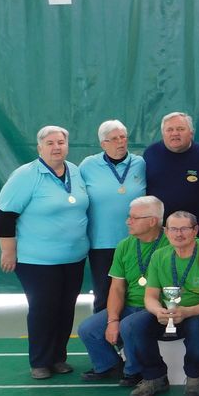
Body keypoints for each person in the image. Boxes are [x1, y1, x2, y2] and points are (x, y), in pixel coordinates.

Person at [0, 125, 90, 379]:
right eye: (50, 143)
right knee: (43, 309)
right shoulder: (26, 175)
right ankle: (40, 361)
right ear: (39, 148)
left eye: (61, 142)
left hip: (74, 258)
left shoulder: (75, 171)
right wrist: (8, 251)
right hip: (37, 261)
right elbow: (4, 214)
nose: (56, 147)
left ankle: (58, 358)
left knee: (66, 308)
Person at [120, 210, 199, 396]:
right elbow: (150, 296)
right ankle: (155, 377)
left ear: (195, 230)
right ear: (166, 231)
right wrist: (158, 310)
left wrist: (186, 312)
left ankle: (195, 376)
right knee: (132, 324)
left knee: (197, 325)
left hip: (196, 311)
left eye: (184, 229)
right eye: (173, 229)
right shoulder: (159, 256)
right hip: (167, 312)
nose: (178, 234)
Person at [79, 196, 170, 387]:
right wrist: (113, 320)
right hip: (129, 305)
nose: (128, 221)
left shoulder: (173, 240)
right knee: (88, 329)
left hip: (156, 308)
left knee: (129, 325)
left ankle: (134, 371)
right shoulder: (124, 245)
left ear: (152, 221)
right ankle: (109, 365)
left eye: (134, 218)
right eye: (129, 217)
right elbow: (117, 288)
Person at [78, 119, 146, 313]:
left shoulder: (140, 163)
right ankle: (103, 329)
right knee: (104, 294)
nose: (120, 142)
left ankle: (132, 330)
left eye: (123, 137)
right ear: (103, 144)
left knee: (135, 292)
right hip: (102, 242)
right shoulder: (88, 165)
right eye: (114, 139)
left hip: (136, 241)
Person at [144, 112, 199, 238]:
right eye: (170, 130)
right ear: (163, 133)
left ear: (191, 133)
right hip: (158, 227)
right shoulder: (151, 153)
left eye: (180, 129)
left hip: (192, 227)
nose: (175, 133)